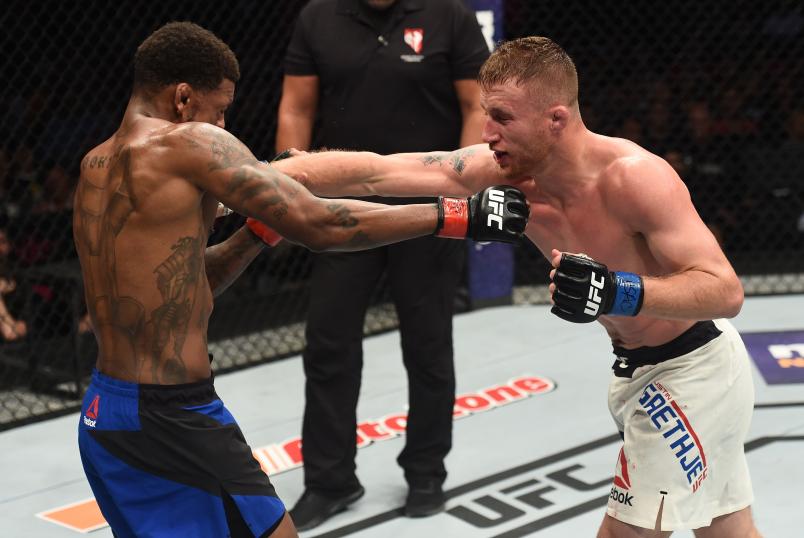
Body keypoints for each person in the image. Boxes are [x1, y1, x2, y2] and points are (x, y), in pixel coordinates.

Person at [270, 36, 761, 536]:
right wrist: (257, 178)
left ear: (556, 119)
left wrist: (618, 291)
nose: (487, 132)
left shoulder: (635, 179)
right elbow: (381, 171)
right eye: (486, 115)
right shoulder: (505, 174)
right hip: (646, 367)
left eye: (502, 118)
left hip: (690, 372)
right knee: (726, 531)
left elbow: (724, 291)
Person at [72, 22, 528, 538]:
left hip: (105, 413)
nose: (223, 122)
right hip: (173, 416)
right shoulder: (190, 143)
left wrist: (256, 234)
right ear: (182, 98)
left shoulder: (96, 166)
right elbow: (323, 225)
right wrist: (456, 216)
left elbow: (186, 288)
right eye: (219, 109)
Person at [275, 0, 490, 528]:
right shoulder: (318, 17)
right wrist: (286, 190)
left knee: (428, 340)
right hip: (342, 208)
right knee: (328, 342)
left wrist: (461, 191)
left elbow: (476, 107)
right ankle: (329, 480)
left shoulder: (450, 16)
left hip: (429, 207)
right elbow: (296, 108)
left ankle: (425, 473)